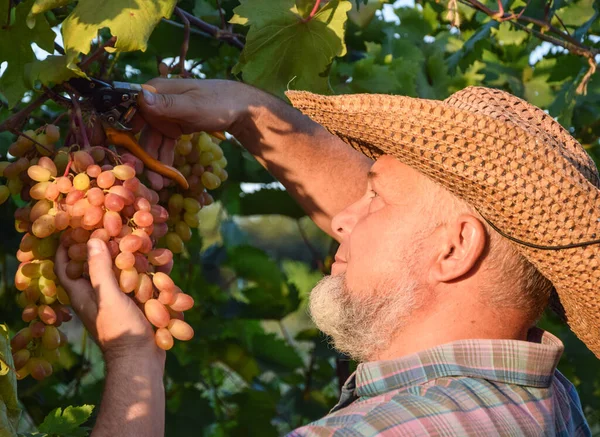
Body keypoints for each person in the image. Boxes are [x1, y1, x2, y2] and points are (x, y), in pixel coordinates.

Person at [54, 79, 597, 437]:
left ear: (454, 249)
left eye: (375, 198)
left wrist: (132, 363)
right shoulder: (546, 402)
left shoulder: (378, 431)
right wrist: (248, 113)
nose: (340, 219)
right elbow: (413, 235)